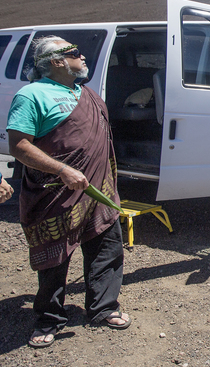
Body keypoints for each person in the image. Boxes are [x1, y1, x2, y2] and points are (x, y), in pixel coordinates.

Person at [7, 36, 131, 348]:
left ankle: (104, 307)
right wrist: (62, 170)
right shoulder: (32, 95)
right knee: (53, 258)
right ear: (56, 62)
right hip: (55, 193)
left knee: (107, 248)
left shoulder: (86, 93)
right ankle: (50, 317)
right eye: (74, 53)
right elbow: (19, 146)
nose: (83, 56)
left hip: (97, 189)